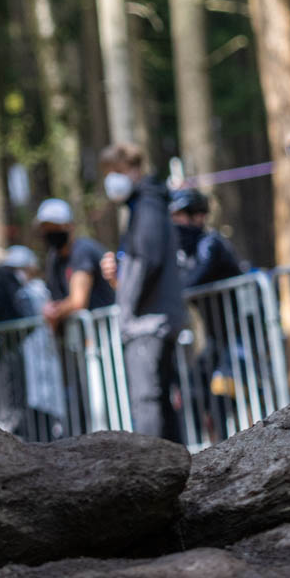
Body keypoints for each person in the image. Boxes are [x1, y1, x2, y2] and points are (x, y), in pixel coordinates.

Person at [96, 144, 188, 442]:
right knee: (160, 397)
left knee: (147, 398)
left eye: (118, 172)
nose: (113, 180)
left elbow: (147, 259)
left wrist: (128, 303)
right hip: (156, 315)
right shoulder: (144, 205)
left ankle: (157, 467)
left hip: (149, 320)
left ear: (134, 170)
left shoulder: (147, 205)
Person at [171, 188, 245, 440]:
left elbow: (194, 280)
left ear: (198, 216)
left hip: (241, 336)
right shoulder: (185, 252)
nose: (175, 223)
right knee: (194, 389)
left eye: (180, 215)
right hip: (216, 337)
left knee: (222, 395)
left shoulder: (211, 244)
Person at [36, 198, 114, 328]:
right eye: (46, 228)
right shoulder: (53, 258)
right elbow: (54, 295)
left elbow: (78, 301)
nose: (50, 232)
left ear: (69, 226)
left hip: (104, 332)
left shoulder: (82, 251)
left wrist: (56, 311)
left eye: (55, 227)